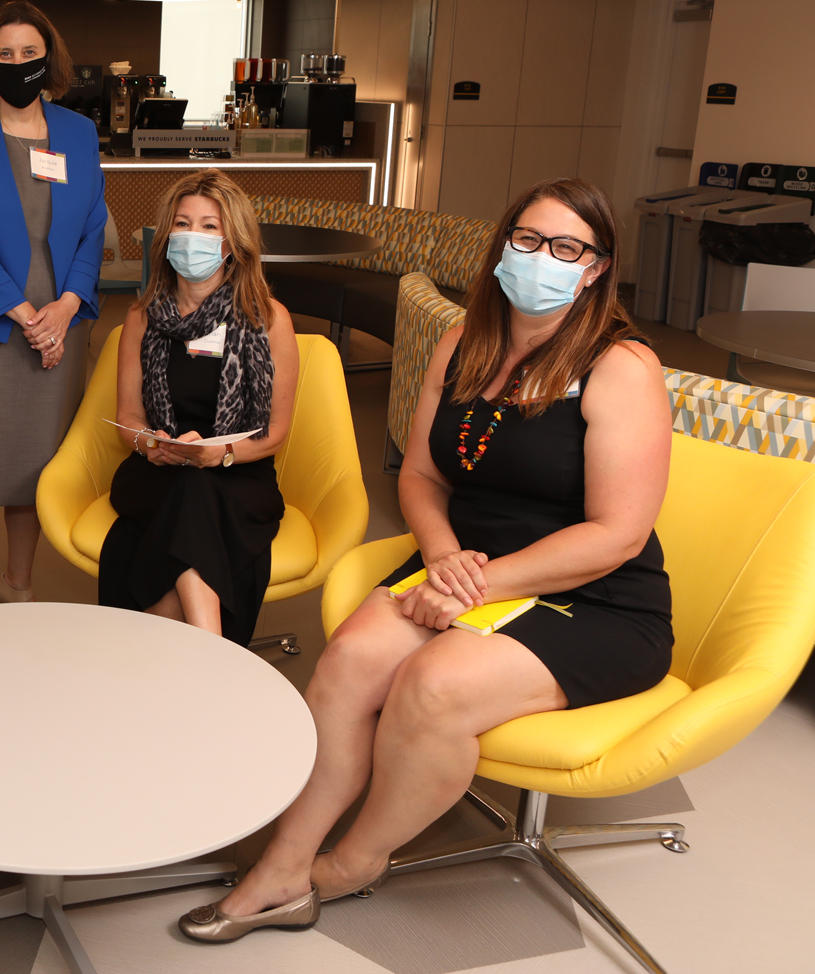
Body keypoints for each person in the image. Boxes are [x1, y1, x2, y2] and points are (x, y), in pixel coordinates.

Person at [178, 178, 672, 944]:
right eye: (530, 240)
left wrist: (477, 587)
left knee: (432, 686)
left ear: (598, 267)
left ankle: (351, 863)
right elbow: (419, 474)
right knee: (348, 661)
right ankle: (284, 863)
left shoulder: (621, 367)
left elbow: (618, 535)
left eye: (568, 248)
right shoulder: (463, 341)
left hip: (592, 598)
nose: (543, 259)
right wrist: (443, 559)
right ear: (505, 242)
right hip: (460, 563)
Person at [0, 0, 107, 606]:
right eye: (4, 54)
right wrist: (23, 313)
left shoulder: (81, 134)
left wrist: (63, 308)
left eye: (29, 53)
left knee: (37, 468)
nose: (17, 63)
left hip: (61, 319)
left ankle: (19, 586)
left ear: (49, 57)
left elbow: (92, 227)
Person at [98, 171, 298, 645]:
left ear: (233, 242)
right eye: (183, 224)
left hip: (237, 471)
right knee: (189, 492)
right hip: (155, 470)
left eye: (209, 226)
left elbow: (274, 432)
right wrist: (150, 444)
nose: (194, 236)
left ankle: (167, 648)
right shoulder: (141, 315)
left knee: (196, 495)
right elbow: (128, 416)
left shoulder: (268, 318)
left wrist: (217, 454)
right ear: (166, 235)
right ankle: (217, 657)